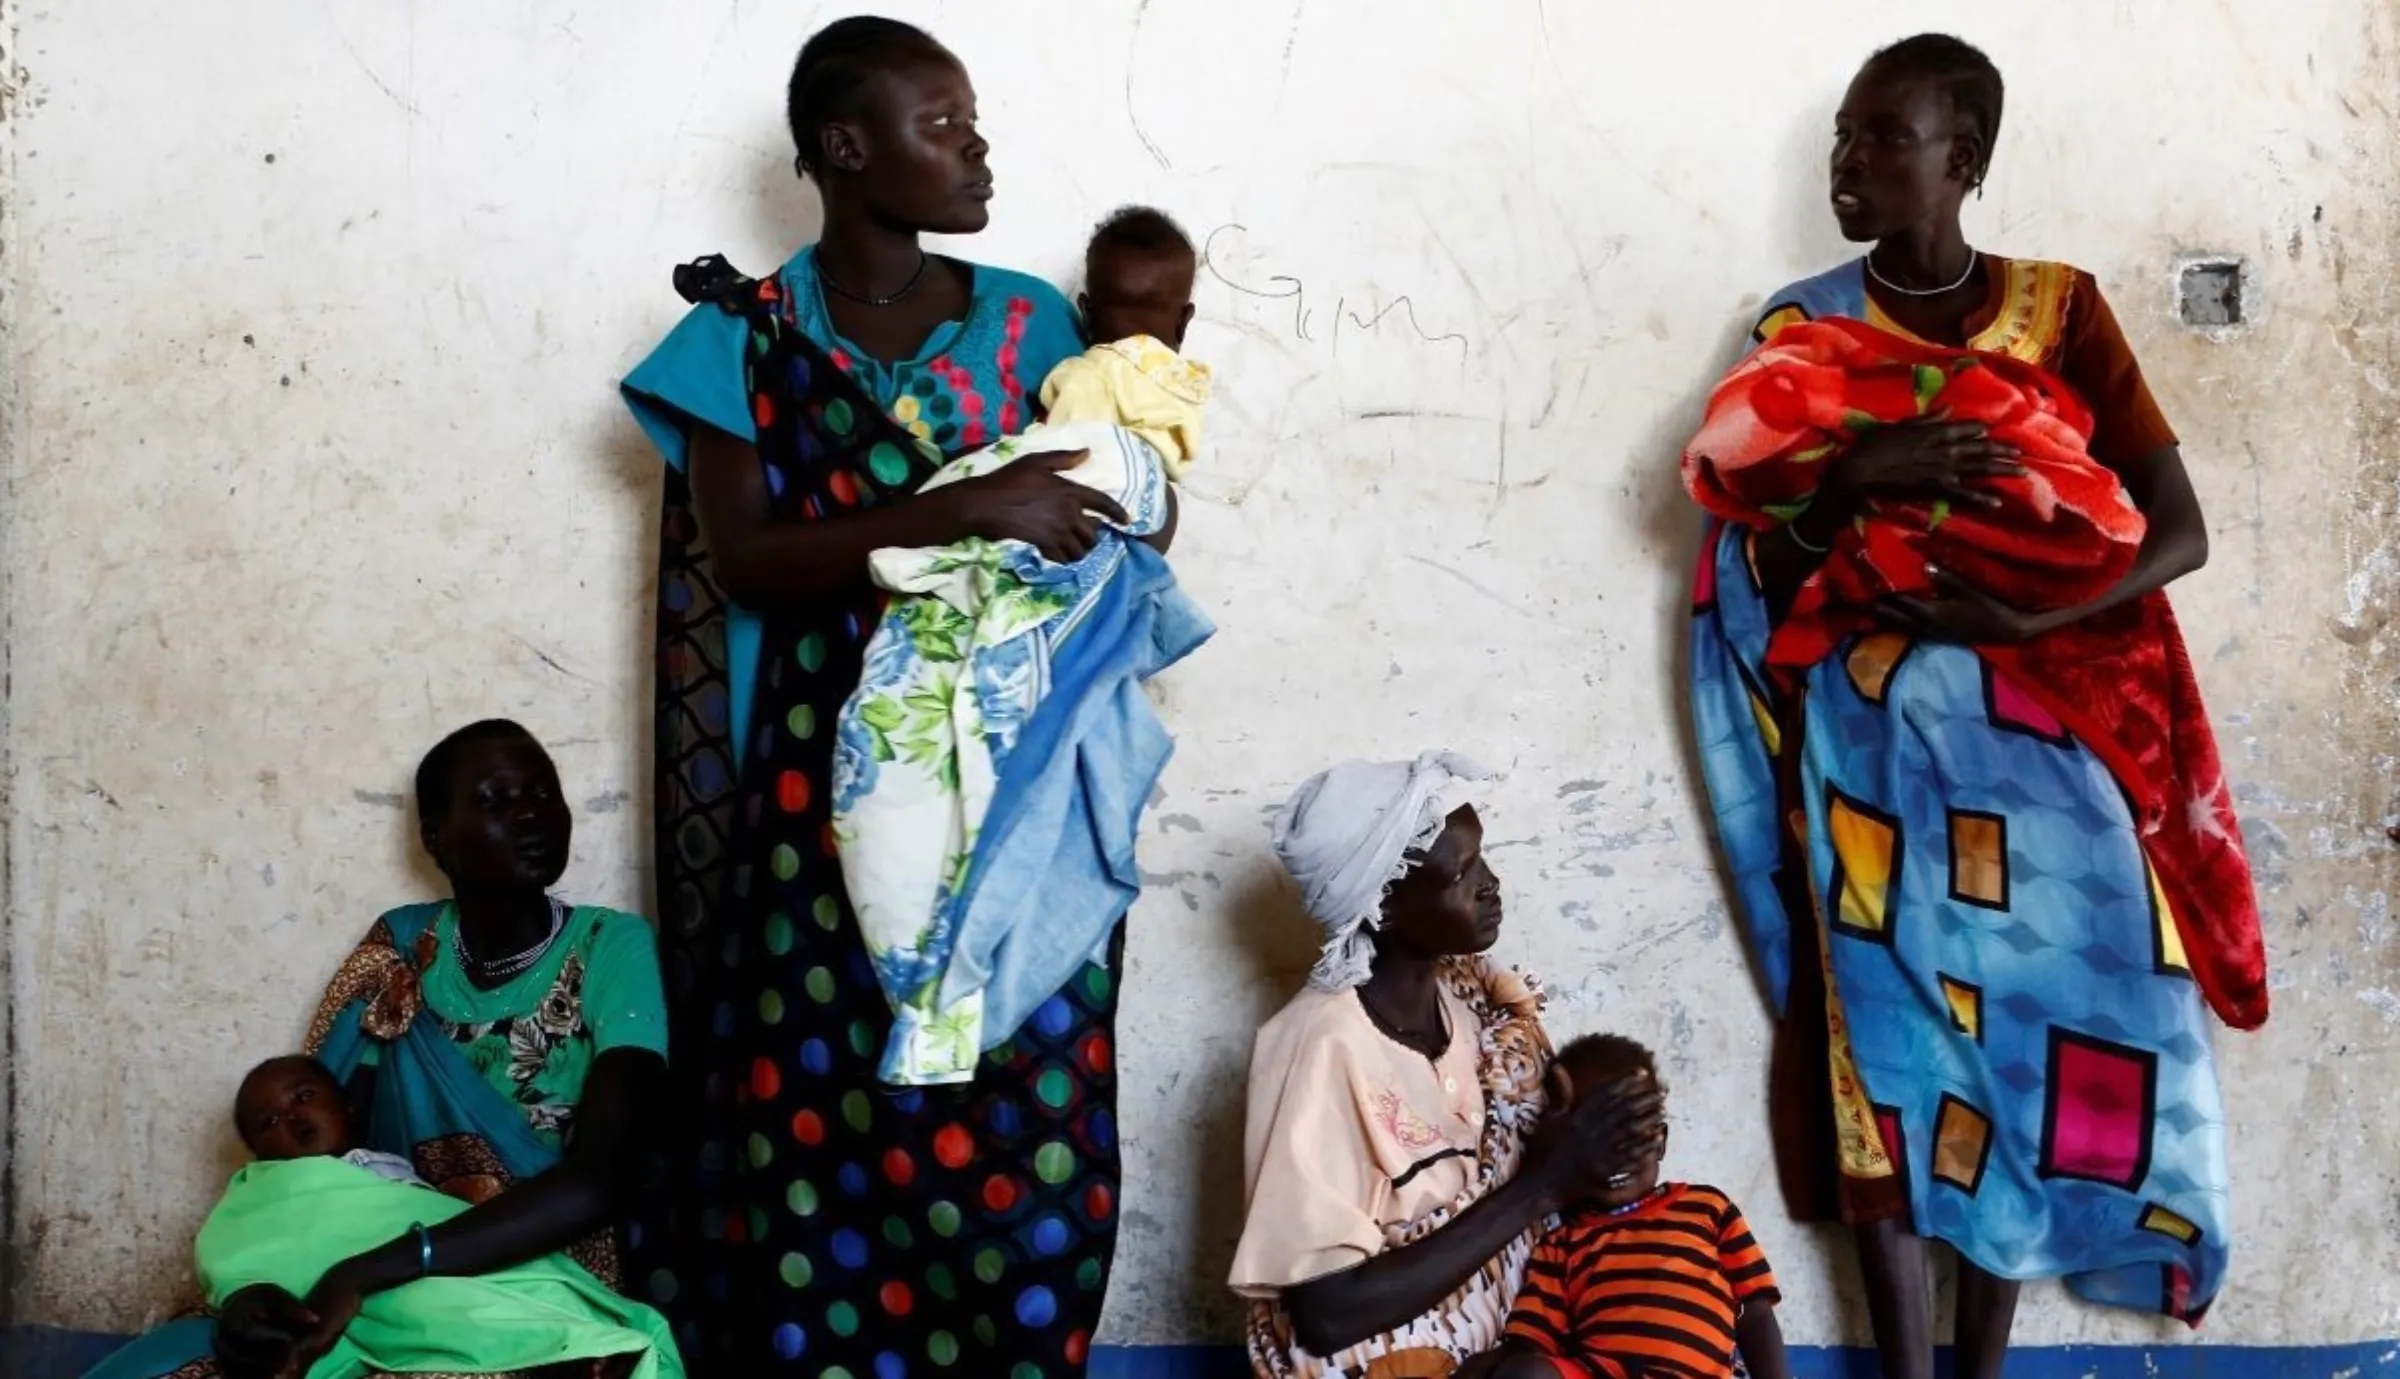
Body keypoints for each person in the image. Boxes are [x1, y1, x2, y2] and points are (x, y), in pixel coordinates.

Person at [1683, 34, 2259, 1379]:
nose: (1854, 160)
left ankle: (1980, 1369)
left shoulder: (2060, 311)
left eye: (1888, 137)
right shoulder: (1800, 329)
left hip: (2047, 757)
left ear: (1966, 161)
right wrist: (1856, 470)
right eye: (1845, 137)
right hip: (1872, 761)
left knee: (2026, 1054)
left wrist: (2027, 619)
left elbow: (2175, 530)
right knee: (1883, 1059)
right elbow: (1760, 564)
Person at [618, 16, 1140, 1376]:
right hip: (815, 790)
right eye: (944, 123)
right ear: (849, 151)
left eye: (971, 122)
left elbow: (1115, 514)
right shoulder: (743, 333)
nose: (976, 149)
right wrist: (965, 501)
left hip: (1010, 773)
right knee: (826, 1098)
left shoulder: (1034, 322)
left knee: (1025, 1092)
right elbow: (745, 563)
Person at [82, 720, 670, 1379]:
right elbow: (302, 1166)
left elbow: (601, 1178)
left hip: (528, 1283)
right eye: (495, 799)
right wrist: (253, 1287)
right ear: (436, 838)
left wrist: (367, 1271)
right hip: (365, 1277)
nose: (531, 813)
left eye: (543, 792)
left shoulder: (609, 946)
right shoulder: (397, 948)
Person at [833, 203, 1214, 1087]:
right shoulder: (1187, 386)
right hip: (1084, 504)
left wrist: (976, 498)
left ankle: (936, 1000)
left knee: (908, 757)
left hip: (1078, 497)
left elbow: (1082, 467)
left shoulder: (1082, 372)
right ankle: (954, 1001)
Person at [1229, 752, 1664, 1379]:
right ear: (1383, 907)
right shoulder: (1318, 1046)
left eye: (1481, 857)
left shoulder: (1478, 1005)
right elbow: (1329, 1315)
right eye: (1461, 873)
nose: (1490, 882)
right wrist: (1540, 1187)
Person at [192, 1056, 681, 1379]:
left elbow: (429, 1220)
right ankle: (558, 1354)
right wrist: (247, 1293)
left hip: (418, 1253)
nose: (292, 1120)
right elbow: (231, 1245)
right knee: (430, 1305)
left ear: (347, 1106)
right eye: (267, 1122)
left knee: (501, 1281)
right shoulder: (265, 1193)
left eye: (302, 1097)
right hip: (380, 1288)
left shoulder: (391, 1167)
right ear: (258, 1155)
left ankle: (576, 1340)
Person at [1464, 1035, 1786, 1379]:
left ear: (1660, 1141)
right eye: (1600, 1139)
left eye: (1632, 1134)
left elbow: (1755, 1312)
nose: (1617, 1154)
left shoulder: (1708, 1209)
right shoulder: (1561, 1245)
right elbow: (1534, 1340)